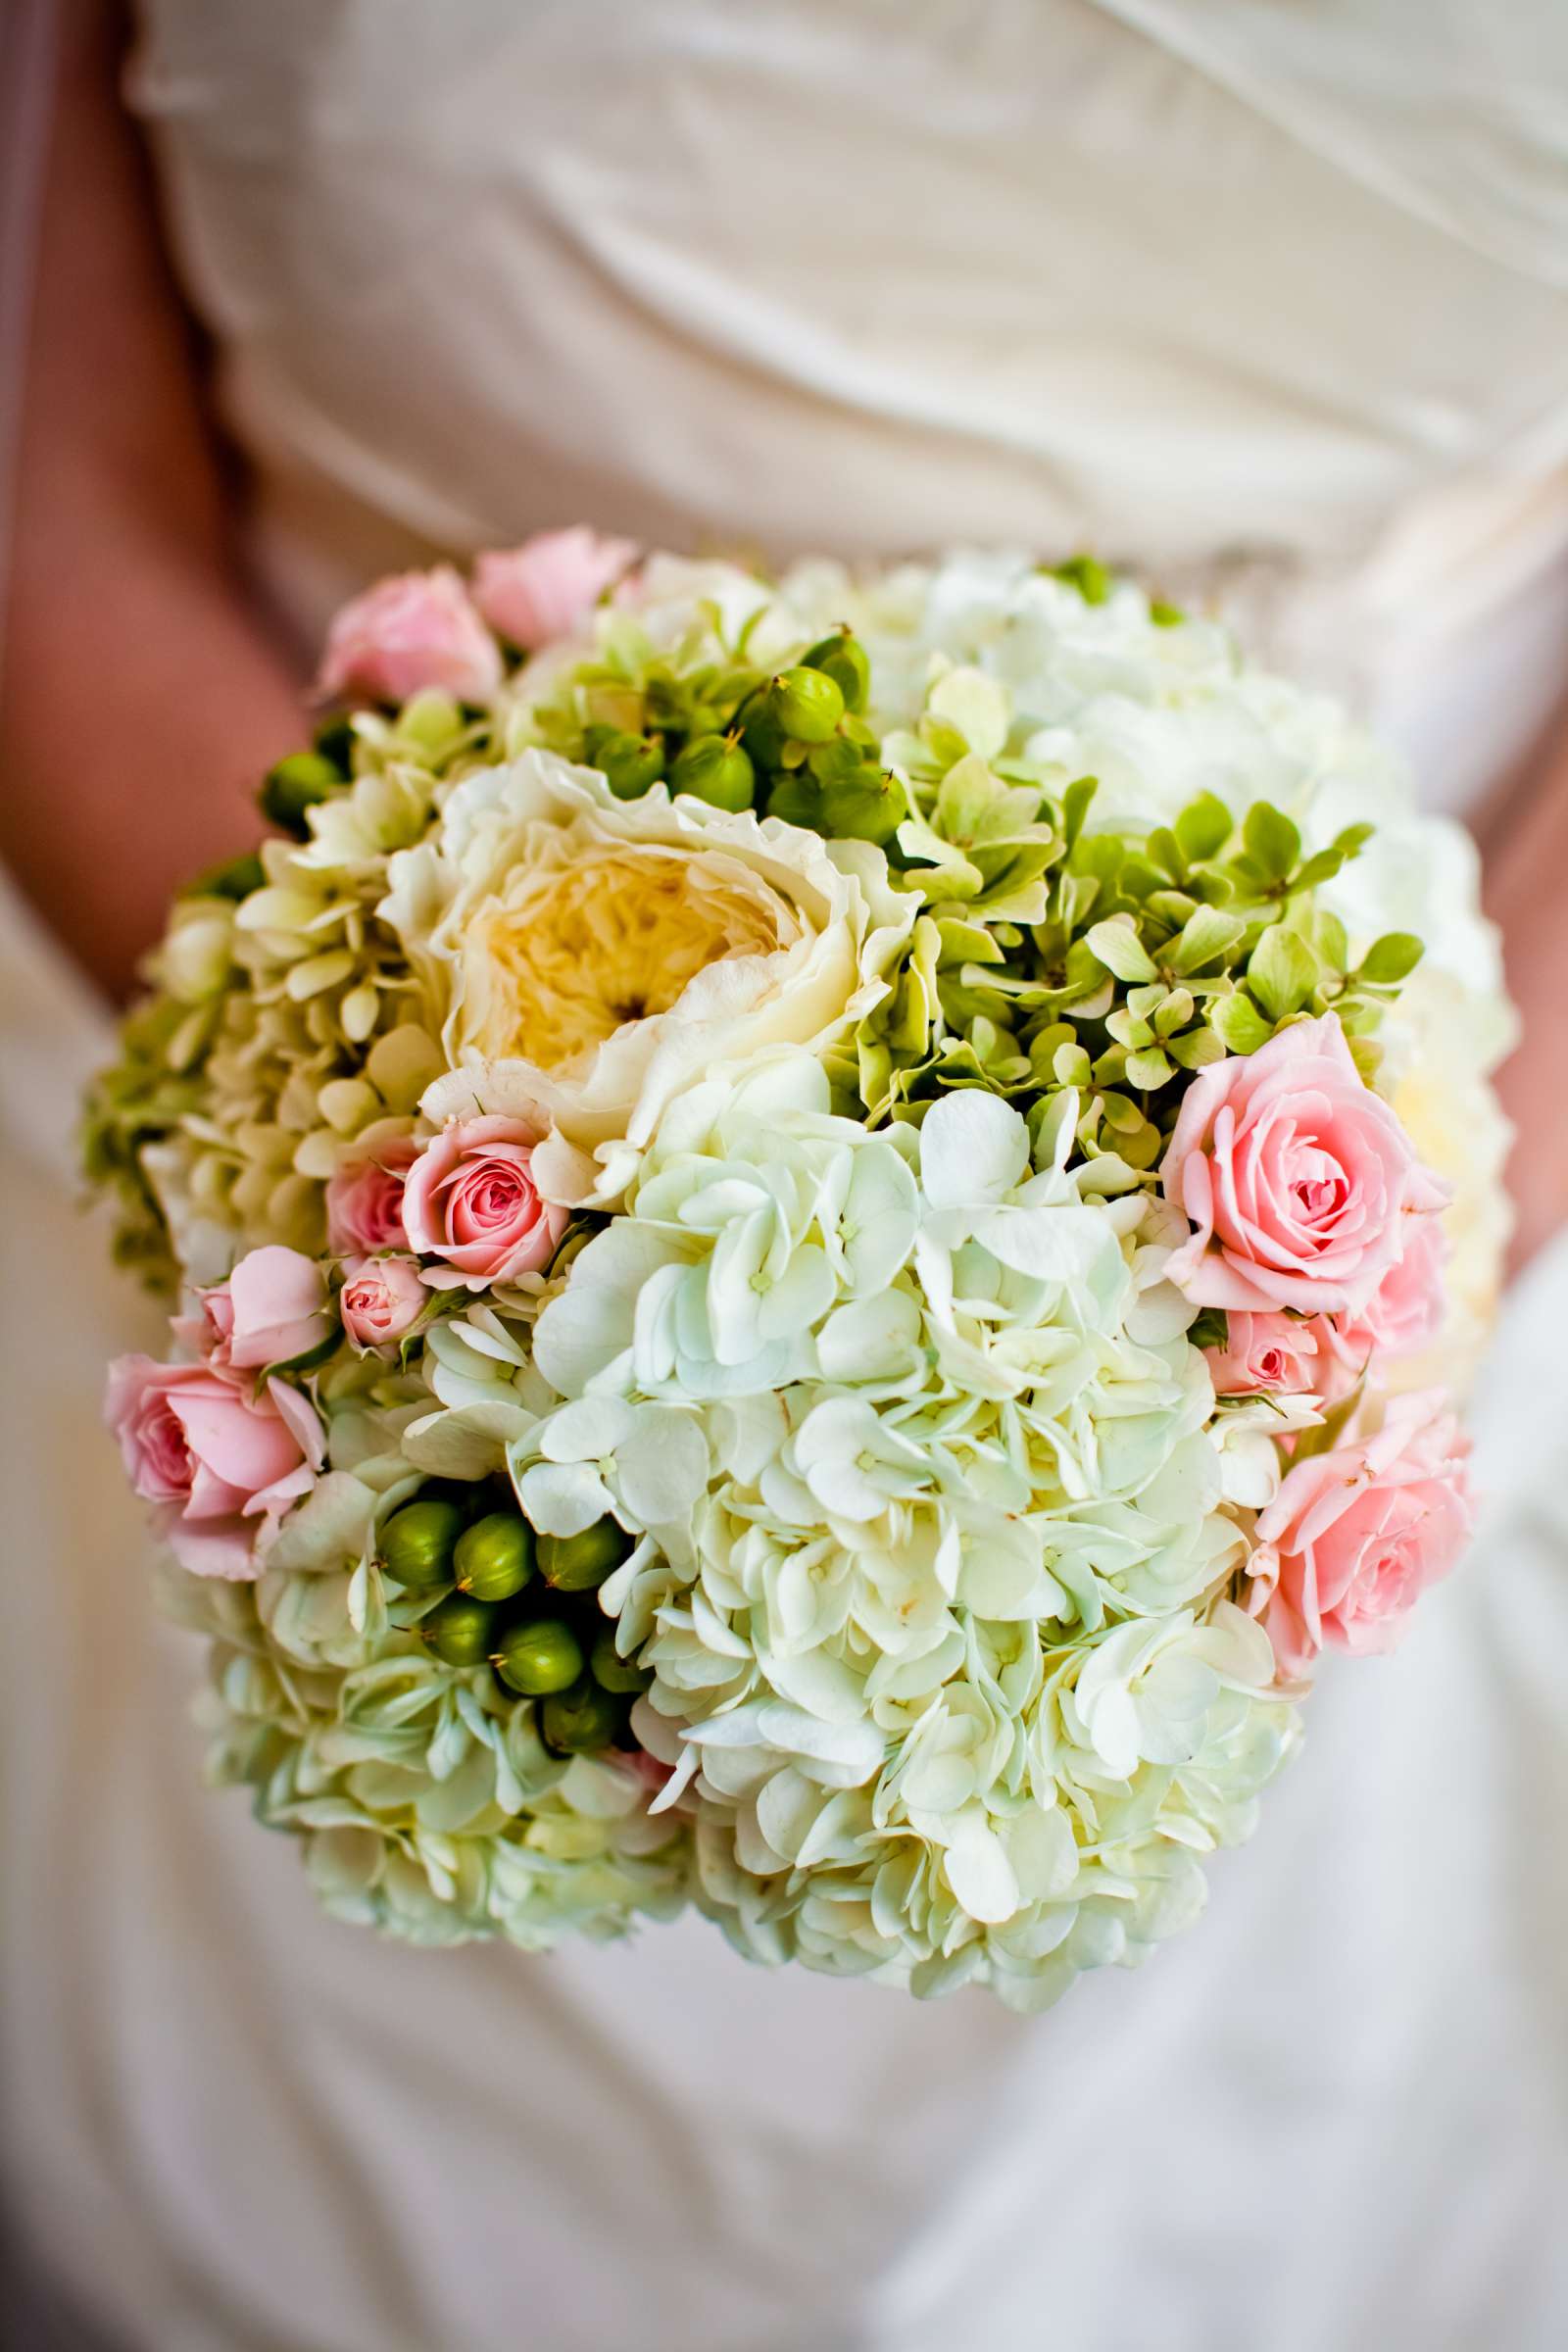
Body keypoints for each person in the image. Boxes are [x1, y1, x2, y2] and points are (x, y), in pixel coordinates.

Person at [2, 4, 1566, 2346]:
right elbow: (41, 465)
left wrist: (1337, 1306)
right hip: (255, 894)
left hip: (1448, 1011)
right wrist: (388, 1144)